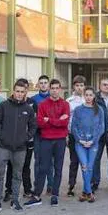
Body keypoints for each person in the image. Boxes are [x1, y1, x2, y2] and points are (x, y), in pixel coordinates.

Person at [0, 80, 37, 214]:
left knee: (17, 175)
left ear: (25, 93)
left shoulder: (28, 108)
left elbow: (33, 126)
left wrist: (25, 138)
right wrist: (3, 136)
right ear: (13, 92)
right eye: (17, 91)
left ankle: (15, 201)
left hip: (20, 149)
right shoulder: (4, 105)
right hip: (3, 147)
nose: (19, 94)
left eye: (22, 92)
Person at [25, 79, 70, 207]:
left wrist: (49, 120)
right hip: (46, 139)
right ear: (49, 89)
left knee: (58, 167)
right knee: (43, 168)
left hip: (60, 140)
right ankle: (37, 195)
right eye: (53, 88)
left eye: (57, 88)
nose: (55, 90)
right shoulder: (43, 105)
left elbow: (65, 123)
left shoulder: (65, 104)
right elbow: (40, 123)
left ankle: (55, 194)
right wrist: (57, 120)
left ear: (60, 89)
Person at [71, 87, 105, 203]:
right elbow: (73, 126)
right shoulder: (78, 110)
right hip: (80, 143)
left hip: (93, 143)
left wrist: (93, 140)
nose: (89, 97)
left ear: (94, 96)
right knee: (84, 166)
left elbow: (101, 127)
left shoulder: (99, 110)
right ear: (83, 96)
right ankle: (89, 192)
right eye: (87, 95)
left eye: (91, 95)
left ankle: (85, 192)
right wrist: (80, 140)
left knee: (90, 167)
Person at [30, 75, 54, 197]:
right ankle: (37, 185)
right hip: (38, 134)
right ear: (38, 85)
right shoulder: (33, 99)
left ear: (49, 85)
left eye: (45, 82)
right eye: (41, 83)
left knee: (50, 161)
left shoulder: (53, 98)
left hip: (51, 134)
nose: (43, 85)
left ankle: (51, 185)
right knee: (38, 161)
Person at [66, 75, 86, 197]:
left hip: (86, 135)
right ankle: (71, 185)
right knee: (74, 161)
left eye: (82, 85)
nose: (79, 88)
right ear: (74, 86)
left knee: (86, 162)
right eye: (77, 85)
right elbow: (67, 119)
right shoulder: (69, 101)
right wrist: (67, 135)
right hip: (73, 135)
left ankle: (88, 185)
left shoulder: (88, 99)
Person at [95, 78, 108, 190]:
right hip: (98, 134)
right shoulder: (95, 98)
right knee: (96, 159)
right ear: (100, 86)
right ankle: (95, 182)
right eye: (104, 84)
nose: (107, 86)